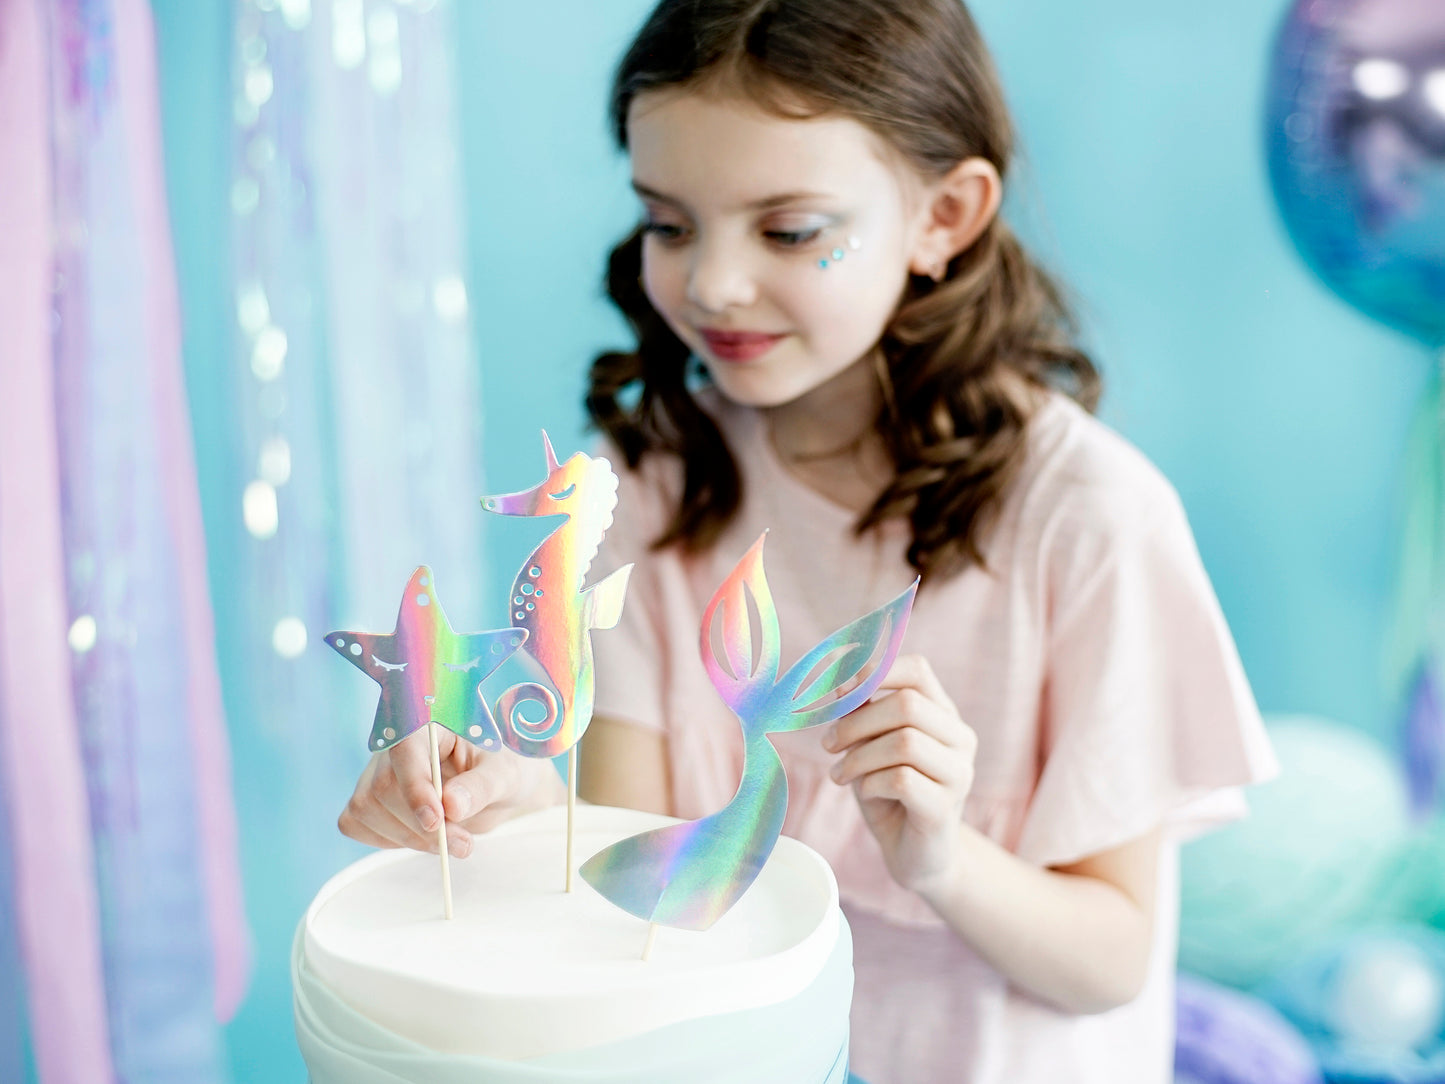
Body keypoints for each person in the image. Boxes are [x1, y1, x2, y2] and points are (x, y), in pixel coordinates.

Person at [338, 1, 1277, 1080]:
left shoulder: (1088, 517)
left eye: (788, 231)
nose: (711, 284)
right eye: (668, 224)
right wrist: (516, 814)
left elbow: (1107, 961)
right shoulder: (645, 488)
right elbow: (653, 889)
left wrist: (937, 855)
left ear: (944, 216)